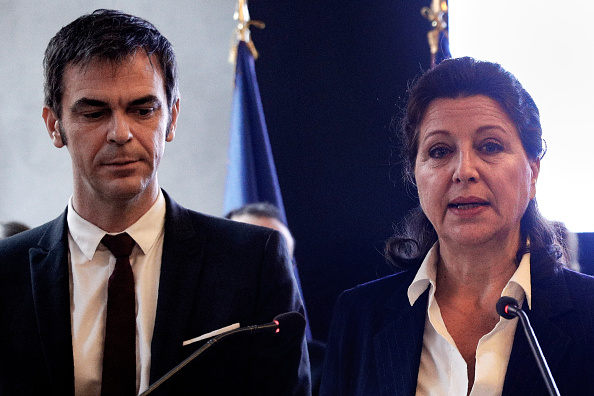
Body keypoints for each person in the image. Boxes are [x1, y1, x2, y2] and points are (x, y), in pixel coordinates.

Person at [0, 9, 310, 395]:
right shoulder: (5, 273)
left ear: (172, 118)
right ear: (54, 125)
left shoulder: (252, 262)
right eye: (94, 112)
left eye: (142, 109)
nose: (120, 132)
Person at [319, 57, 594, 395]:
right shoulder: (360, 315)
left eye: (490, 146)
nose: (464, 170)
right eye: (440, 151)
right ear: (415, 174)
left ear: (533, 172)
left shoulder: (588, 313)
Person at [226, 202, 326, 396]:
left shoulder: (324, 364)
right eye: (247, 256)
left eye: (276, 259)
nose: (260, 270)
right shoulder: (189, 352)